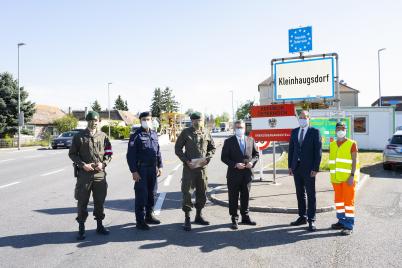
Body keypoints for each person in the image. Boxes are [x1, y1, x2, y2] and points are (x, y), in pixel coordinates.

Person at [69, 111, 113, 240]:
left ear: (99, 121)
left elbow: (109, 153)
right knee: (82, 201)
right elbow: (72, 154)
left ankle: (99, 225)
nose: (93, 123)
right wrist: (82, 164)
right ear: (87, 122)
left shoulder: (103, 136)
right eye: (91, 121)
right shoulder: (79, 136)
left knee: (100, 201)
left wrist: (103, 164)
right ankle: (81, 228)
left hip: (99, 174)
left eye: (96, 120)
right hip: (85, 175)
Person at [175, 112, 216, 231]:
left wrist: (208, 158)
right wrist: (186, 160)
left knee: (202, 192)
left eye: (199, 120)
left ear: (202, 121)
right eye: (195, 120)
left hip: (202, 169)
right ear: (191, 121)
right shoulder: (185, 132)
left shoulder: (207, 132)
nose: (197, 122)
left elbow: (212, 148)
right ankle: (187, 218)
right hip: (189, 168)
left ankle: (199, 215)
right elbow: (178, 148)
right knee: (187, 193)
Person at [127, 111, 163, 230]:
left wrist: (160, 166)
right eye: (144, 119)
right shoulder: (136, 135)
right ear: (140, 121)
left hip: (153, 169)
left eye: (148, 119)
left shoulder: (154, 134)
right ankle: (140, 221)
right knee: (141, 195)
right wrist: (134, 171)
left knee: (152, 193)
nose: (146, 121)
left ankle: (149, 215)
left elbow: (157, 151)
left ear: (151, 120)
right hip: (141, 169)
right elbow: (130, 155)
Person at [221, 120, 259, 230]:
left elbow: (256, 154)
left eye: (241, 127)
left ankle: (245, 217)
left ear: (244, 128)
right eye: (237, 127)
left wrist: (252, 162)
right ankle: (234, 218)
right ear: (234, 128)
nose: (239, 129)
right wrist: (235, 164)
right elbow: (224, 157)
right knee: (233, 197)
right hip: (233, 174)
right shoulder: (229, 141)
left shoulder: (250, 140)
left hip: (247, 174)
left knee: (245, 196)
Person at [288, 110, 322, 231]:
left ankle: (311, 220)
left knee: (311, 194)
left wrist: (315, 168)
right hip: (296, 168)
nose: (302, 119)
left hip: (309, 169)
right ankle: (302, 217)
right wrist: (290, 166)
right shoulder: (294, 131)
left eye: (305, 117)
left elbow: (318, 152)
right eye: (301, 117)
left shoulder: (315, 132)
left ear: (309, 118)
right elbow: (291, 149)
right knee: (299, 194)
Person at [329, 121, 360, 235]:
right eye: (338, 129)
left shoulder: (352, 143)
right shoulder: (332, 144)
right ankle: (341, 221)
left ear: (346, 130)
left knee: (348, 202)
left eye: (342, 128)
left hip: (348, 179)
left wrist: (352, 176)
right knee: (339, 202)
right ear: (335, 131)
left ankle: (349, 225)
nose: (340, 130)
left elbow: (355, 161)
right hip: (336, 179)